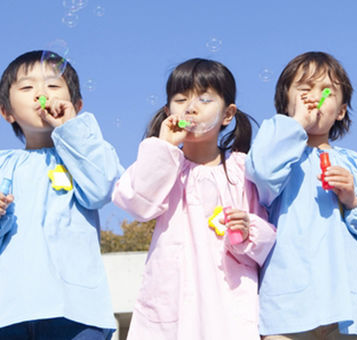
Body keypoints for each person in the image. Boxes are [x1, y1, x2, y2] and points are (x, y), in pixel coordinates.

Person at [112, 58, 276, 340]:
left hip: (227, 299)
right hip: (172, 301)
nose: (191, 107)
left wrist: (249, 228)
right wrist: (164, 147)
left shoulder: (242, 169)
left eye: (205, 98)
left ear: (228, 114)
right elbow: (137, 203)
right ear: (167, 112)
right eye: (180, 98)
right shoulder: (162, 161)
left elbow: (268, 237)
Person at [246, 51, 357, 339]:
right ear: (285, 104)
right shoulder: (274, 142)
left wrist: (352, 200)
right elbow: (262, 174)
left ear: (341, 111)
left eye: (326, 91)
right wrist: (294, 126)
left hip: (345, 309)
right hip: (285, 307)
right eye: (303, 90)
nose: (314, 98)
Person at [0, 50, 123, 339]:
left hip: (77, 311)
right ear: (6, 112)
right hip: (10, 310)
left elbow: (100, 188)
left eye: (53, 85)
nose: (41, 93)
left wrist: (71, 129)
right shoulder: (3, 164)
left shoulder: (87, 151)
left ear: (76, 105)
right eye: (27, 87)